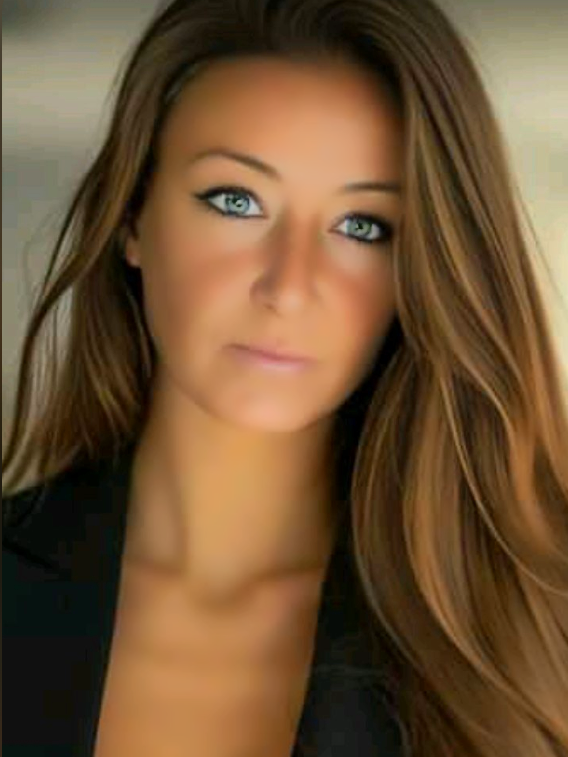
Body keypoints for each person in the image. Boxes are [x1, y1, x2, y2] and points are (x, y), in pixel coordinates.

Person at [3, 0, 567, 755]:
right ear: (133, 216)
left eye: (363, 226)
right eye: (236, 201)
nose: (291, 286)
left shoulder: (539, 625)